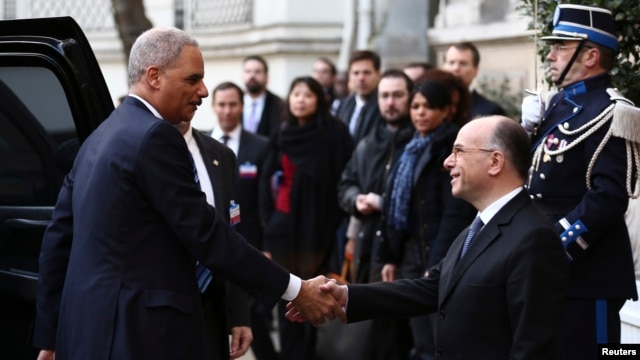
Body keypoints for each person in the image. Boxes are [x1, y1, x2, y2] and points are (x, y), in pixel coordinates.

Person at [32, 27, 343, 360]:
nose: (204, 91)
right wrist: (296, 289)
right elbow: (207, 234)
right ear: (154, 76)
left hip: (86, 332)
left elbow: (58, 240)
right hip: (138, 337)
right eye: (193, 79)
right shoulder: (155, 137)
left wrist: (50, 336)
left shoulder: (100, 136)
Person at [290, 115, 570, 359]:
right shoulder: (479, 226)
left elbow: (533, 348)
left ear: (495, 161)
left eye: (459, 152)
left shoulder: (533, 238)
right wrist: (345, 295)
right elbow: (432, 289)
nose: (448, 162)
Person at [520, 4, 638, 359]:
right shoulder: (557, 105)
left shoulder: (612, 111)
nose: (550, 55)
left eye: (561, 47)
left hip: (588, 272)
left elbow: (608, 196)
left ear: (590, 55)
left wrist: (555, 244)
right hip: (549, 269)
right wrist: (524, 131)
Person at [380, 78, 476, 359]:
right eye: (416, 106)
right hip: (411, 254)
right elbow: (395, 205)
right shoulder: (409, 146)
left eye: (429, 106)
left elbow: (455, 212)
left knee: (439, 338)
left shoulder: (451, 148)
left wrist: (436, 263)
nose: (420, 112)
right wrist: (390, 256)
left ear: (446, 110)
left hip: (438, 254)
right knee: (419, 337)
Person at [260, 76, 354, 359]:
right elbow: (266, 178)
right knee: (286, 297)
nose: (300, 99)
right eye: (296, 93)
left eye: (308, 95)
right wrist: (269, 219)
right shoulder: (282, 133)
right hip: (283, 228)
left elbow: (342, 181)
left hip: (318, 231)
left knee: (316, 297)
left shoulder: (335, 135)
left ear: (319, 100)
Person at [337, 69, 416, 360]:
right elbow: (345, 185)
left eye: (398, 95)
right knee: (373, 335)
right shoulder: (368, 143)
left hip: (405, 254)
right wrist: (356, 199)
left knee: (402, 335)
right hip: (367, 250)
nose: (390, 102)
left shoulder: (418, 142)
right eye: (385, 95)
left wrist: (384, 202)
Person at [209, 81, 278, 360]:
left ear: (242, 106)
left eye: (233, 104)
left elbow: (269, 203)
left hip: (252, 244)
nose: (227, 111)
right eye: (222, 104)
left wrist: (267, 246)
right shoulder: (200, 145)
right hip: (212, 246)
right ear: (214, 106)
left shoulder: (261, 147)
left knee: (257, 318)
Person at [176, 120, 253, 360]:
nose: (201, 92)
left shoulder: (221, 155)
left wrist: (239, 313)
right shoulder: (140, 150)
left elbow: (232, 235)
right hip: (160, 309)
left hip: (212, 304)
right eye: (190, 80)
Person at [441, 42, 506, 119]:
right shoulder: (431, 107)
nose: (456, 68)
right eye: (451, 63)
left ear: (475, 70)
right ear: (443, 67)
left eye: (463, 63)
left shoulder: (490, 112)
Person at [335, 50, 382, 144]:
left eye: (367, 73)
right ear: (349, 76)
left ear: (378, 75)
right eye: (356, 73)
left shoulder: (384, 105)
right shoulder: (344, 104)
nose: (361, 78)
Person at [242, 55, 285, 140]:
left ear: (266, 77)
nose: (252, 76)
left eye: (257, 72)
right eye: (248, 71)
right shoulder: (234, 102)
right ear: (242, 76)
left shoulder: (280, 105)